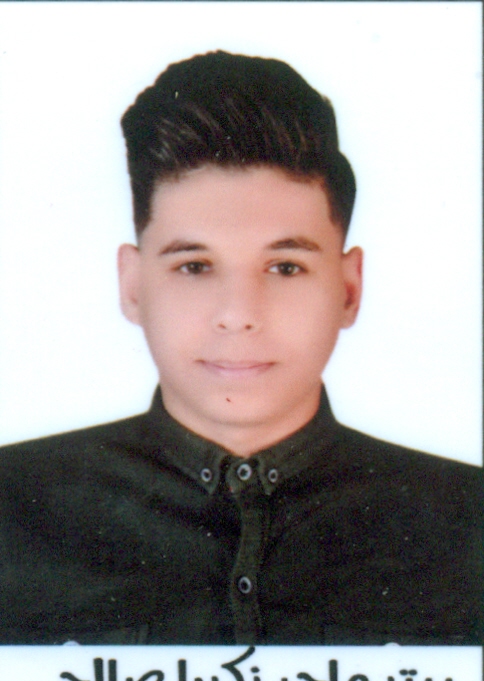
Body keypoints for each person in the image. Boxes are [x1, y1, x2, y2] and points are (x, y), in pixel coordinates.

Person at [0, 51, 481, 645]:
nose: (238, 315)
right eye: (194, 265)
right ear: (133, 286)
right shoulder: (12, 508)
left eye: (285, 266)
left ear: (349, 290)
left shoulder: (470, 520)